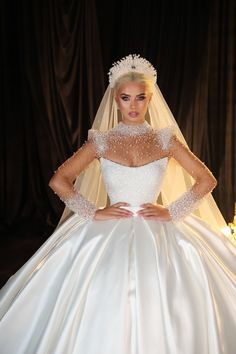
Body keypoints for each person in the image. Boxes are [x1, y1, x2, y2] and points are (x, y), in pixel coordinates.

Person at [0, 54, 235, 354]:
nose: (133, 106)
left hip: (157, 223)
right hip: (110, 225)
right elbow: (60, 180)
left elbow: (206, 179)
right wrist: (94, 212)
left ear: (150, 99)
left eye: (140, 98)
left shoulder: (165, 140)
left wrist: (171, 211)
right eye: (126, 98)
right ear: (115, 99)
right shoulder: (102, 141)